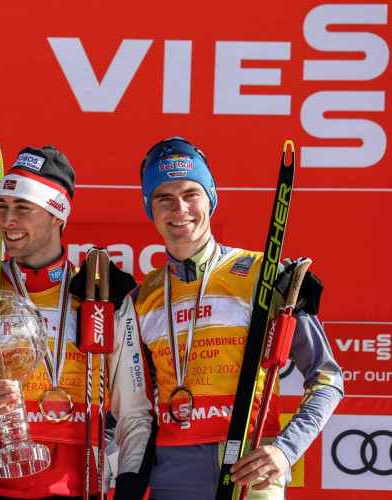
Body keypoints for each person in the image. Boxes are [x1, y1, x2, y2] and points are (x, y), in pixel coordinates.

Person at [0, 145, 153, 499]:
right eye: (2, 208)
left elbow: (135, 417)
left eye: (23, 208)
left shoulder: (102, 299)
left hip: (82, 491)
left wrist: (128, 492)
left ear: (58, 215)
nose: (8, 220)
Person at [131, 137, 344, 499]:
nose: (179, 208)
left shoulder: (266, 274)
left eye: (190, 194)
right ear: (150, 207)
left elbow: (327, 377)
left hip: (250, 473)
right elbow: (132, 399)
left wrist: (285, 450)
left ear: (211, 197)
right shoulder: (141, 297)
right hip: (171, 476)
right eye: (163, 198)